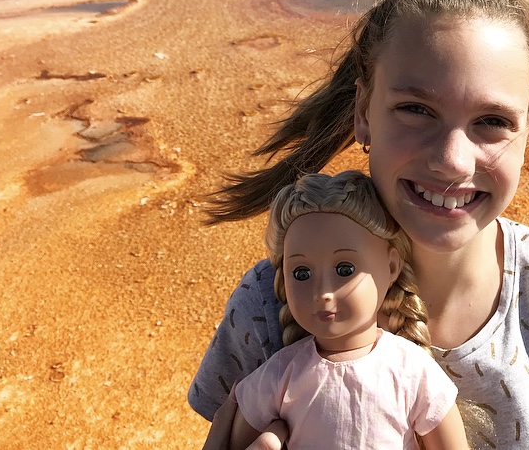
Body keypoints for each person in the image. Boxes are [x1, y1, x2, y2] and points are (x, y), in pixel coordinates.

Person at [190, 0, 529, 449]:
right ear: (363, 112)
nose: (452, 161)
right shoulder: (270, 300)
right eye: (416, 109)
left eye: (492, 121)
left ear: (526, 132)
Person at [202, 170, 472, 450]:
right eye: (302, 273)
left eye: (345, 270)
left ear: (391, 266)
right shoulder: (279, 375)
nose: (322, 293)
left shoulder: (412, 371)